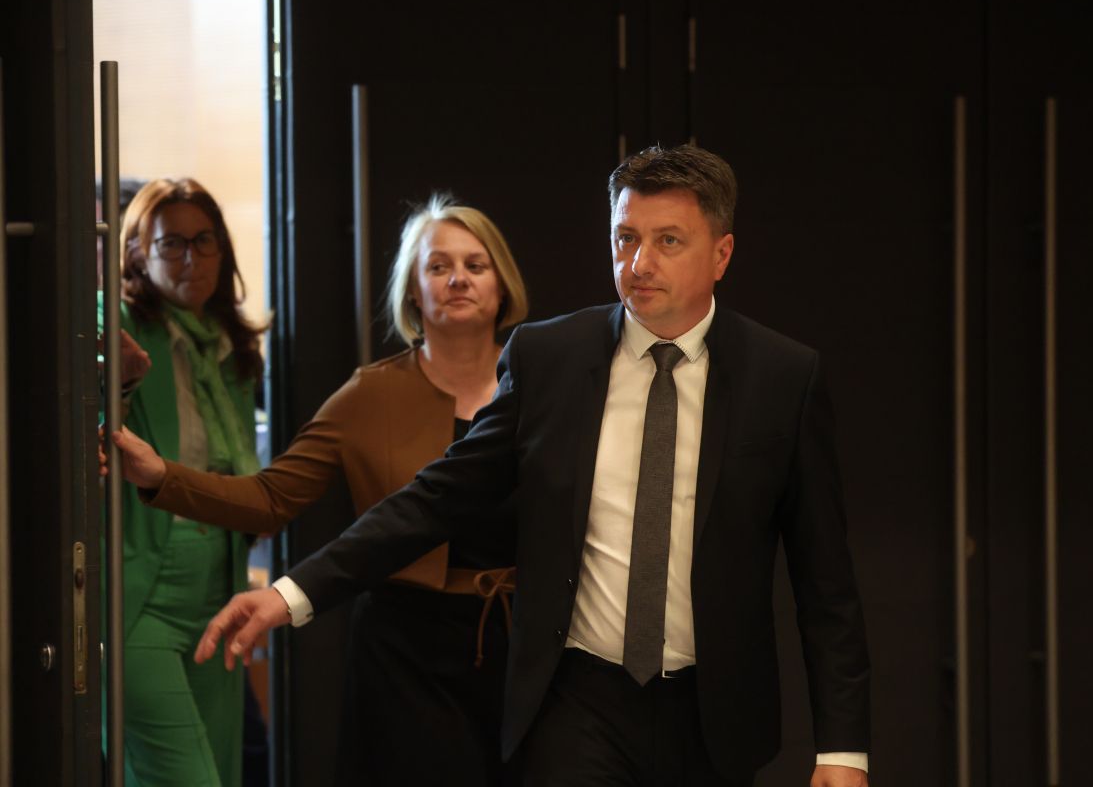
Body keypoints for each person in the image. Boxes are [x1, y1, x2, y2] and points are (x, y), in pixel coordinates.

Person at [194, 145, 872, 786]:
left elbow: (826, 584)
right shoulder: (550, 358)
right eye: (626, 237)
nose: (639, 263)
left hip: (714, 711)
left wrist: (843, 749)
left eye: (668, 241)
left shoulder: (783, 379)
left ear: (721, 254)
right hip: (578, 700)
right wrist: (292, 594)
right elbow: (437, 497)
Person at [109, 194, 529, 784]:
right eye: (438, 266)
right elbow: (270, 498)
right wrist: (161, 476)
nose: (457, 278)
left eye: (475, 265)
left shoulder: (540, 385)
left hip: (522, 640)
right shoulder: (371, 393)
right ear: (413, 291)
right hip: (406, 652)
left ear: (502, 283)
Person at [106, 177, 267, 786]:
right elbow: (80, 423)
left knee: (222, 771)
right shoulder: (115, 321)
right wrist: (120, 380)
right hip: (141, 586)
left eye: (203, 241)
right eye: (170, 243)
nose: (190, 258)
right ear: (137, 253)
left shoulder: (230, 343)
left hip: (221, 584)